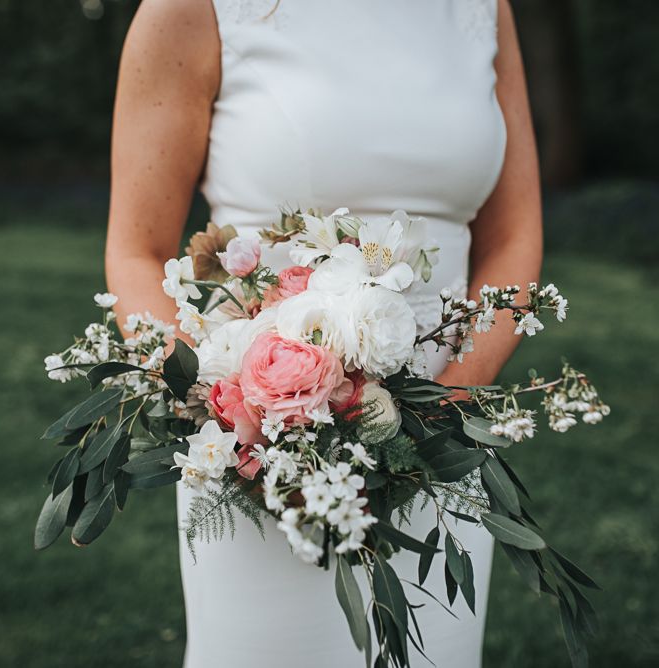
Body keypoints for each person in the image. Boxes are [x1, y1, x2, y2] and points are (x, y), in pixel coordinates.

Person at [105, 1, 542, 666]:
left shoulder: (482, 9)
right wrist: (234, 419)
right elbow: (136, 251)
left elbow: (515, 237)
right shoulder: (191, 9)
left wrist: (449, 408)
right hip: (268, 456)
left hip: (441, 449)